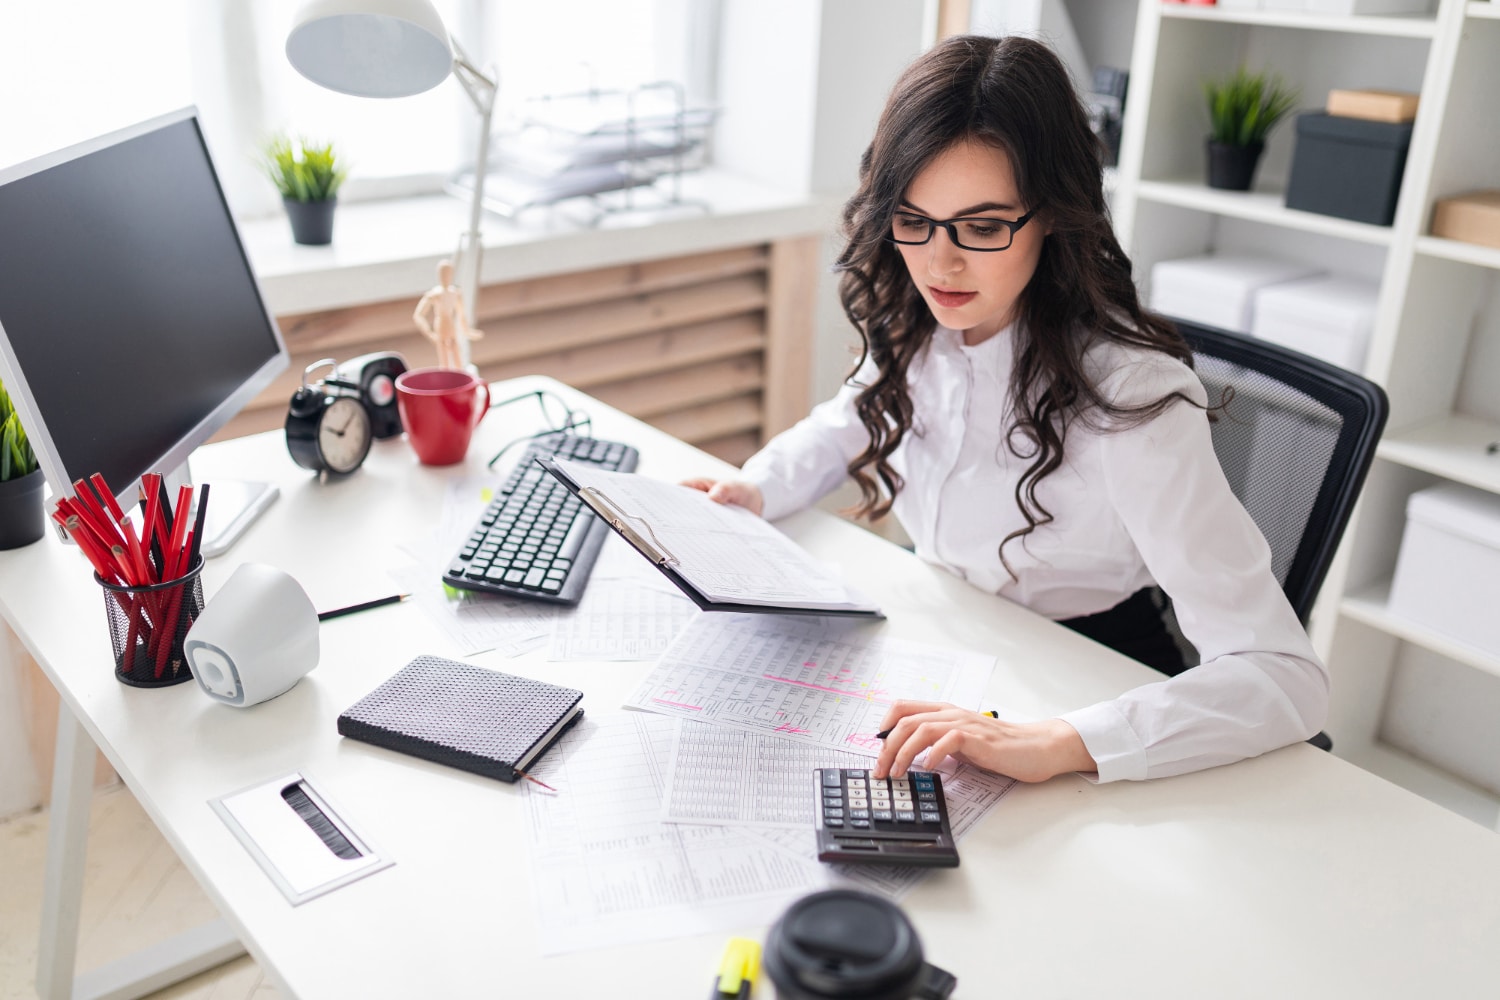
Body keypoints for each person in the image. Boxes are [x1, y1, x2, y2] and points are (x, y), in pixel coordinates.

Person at [682, 35, 1327, 785]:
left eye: (983, 227)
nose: (939, 263)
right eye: (913, 220)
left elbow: (1285, 676)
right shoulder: (919, 324)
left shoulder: (1135, 403)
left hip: (1094, 679)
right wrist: (756, 487)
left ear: (1053, 215)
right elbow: (845, 420)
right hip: (953, 641)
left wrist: (1059, 742)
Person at [412, 258, 482, 370]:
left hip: (451, 326)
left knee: (457, 355)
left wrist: (467, 331)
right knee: (444, 360)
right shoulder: (434, 294)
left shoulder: (455, 293)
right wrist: (430, 333)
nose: (445, 277)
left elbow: (461, 315)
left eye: (448, 273)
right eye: (443, 273)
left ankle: (461, 379)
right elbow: (418, 315)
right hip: (440, 326)